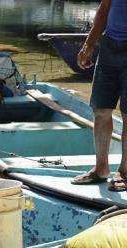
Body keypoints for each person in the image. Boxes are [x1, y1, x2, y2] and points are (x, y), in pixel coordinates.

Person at [71, 0, 127, 191]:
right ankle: (101, 168)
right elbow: (104, 8)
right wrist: (89, 44)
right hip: (110, 47)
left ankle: (125, 172)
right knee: (101, 109)